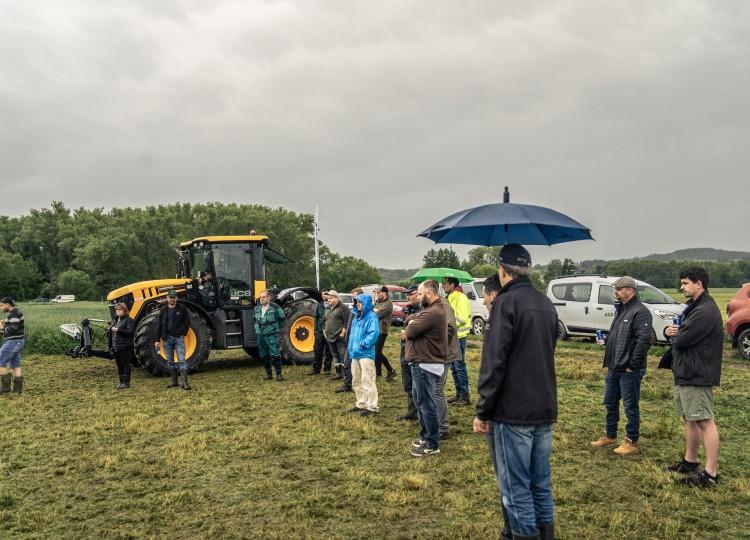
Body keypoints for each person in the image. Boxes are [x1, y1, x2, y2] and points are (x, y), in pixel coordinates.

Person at [473, 244, 557, 539]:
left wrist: (483, 409)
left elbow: (494, 361)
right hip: (544, 405)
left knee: (516, 487)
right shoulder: (546, 303)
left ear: (503, 270)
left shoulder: (504, 304)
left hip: (513, 411)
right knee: (540, 483)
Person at [664, 267, 724, 487]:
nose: (682, 287)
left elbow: (681, 339)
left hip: (697, 373)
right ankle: (690, 461)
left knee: (705, 421)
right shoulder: (693, 307)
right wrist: (670, 332)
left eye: (686, 283)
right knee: (689, 418)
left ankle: (710, 474)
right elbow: (675, 332)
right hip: (685, 371)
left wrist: (675, 335)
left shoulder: (704, 311)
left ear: (699, 284)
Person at [590, 276, 652, 456]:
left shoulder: (640, 311)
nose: (615, 292)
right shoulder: (621, 310)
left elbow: (644, 340)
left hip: (628, 370)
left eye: (619, 289)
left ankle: (631, 441)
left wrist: (632, 365)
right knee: (609, 402)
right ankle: (610, 435)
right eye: (615, 289)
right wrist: (607, 340)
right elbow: (620, 335)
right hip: (614, 367)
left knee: (630, 406)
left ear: (630, 291)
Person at [479, 273, 512, 540]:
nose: (483, 300)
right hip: (541, 407)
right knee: (534, 481)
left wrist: (483, 411)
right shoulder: (540, 307)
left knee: (507, 475)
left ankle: (510, 530)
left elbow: (493, 368)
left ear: (493, 294)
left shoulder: (498, 319)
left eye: (484, 294)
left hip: (506, 409)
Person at [403, 279, 448, 457]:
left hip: (425, 363)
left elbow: (412, 331)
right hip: (422, 361)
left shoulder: (434, 311)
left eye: (420, 294)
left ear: (429, 294)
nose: (418, 297)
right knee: (420, 399)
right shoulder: (431, 310)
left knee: (427, 403)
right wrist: (411, 321)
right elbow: (411, 322)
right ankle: (426, 435)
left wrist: (410, 326)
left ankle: (432, 443)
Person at [346, 293, 381, 416]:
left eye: (359, 302)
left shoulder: (371, 317)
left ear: (365, 303)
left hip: (365, 353)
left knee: (367, 380)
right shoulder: (356, 317)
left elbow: (374, 333)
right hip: (355, 353)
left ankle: (372, 406)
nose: (357, 304)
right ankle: (361, 403)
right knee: (356, 380)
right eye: (356, 302)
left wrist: (363, 344)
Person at [155, 290, 193, 390]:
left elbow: (187, 323)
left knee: (181, 360)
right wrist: (157, 339)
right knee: (170, 361)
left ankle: (185, 383)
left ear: (176, 298)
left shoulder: (182, 309)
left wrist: (182, 333)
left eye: (174, 297)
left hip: (178, 338)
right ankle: (174, 382)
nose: (172, 299)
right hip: (166, 338)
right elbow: (159, 325)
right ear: (167, 298)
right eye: (170, 297)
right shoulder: (163, 310)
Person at [444, 277, 472, 406]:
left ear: (452, 284)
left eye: (445, 283)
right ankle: (458, 394)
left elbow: (461, 318)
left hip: (459, 337)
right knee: (454, 368)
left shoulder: (461, 298)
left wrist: (447, 325)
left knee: (460, 367)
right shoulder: (449, 298)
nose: (443, 286)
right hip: (452, 337)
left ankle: (465, 396)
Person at [397, 285, 420, 421]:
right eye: (407, 294)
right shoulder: (410, 309)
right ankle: (411, 412)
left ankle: (420, 414)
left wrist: (409, 334)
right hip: (406, 348)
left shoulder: (424, 310)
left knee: (417, 384)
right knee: (408, 382)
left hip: (416, 351)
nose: (408, 297)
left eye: (411, 294)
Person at [254, 290, 287, 381]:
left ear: (268, 297)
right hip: (261, 336)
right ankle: (269, 374)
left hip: (271, 335)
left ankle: (279, 374)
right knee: (264, 356)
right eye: (261, 297)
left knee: (275, 355)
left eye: (264, 297)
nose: (262, 299)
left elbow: (282, 320)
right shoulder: (256, 309)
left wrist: (274, 329)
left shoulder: (275, 308)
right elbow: (255, 320)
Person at [0, 297, 25, 394]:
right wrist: (2, 331)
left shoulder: (14, 314)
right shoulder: (16, 313)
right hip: (17, 341)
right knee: (15, 365)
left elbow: (14, 328)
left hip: (13, 342)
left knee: (0, 362)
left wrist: (3, 327)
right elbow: (12, 330)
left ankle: (5, 388)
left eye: (2, 305)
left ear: (7, 304)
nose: (1, 308)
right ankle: (17, 389)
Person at [325, 290, 350, 384]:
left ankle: (345, 374)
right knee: (334, 354)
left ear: (336, 297)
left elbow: (347, 321)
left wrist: (343, 333)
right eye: (328, 298)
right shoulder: (327, 308)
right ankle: (338, 372)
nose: (328, 300)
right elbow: (324, 320)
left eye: (330, 298)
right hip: (329, 336)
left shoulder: (343, 308)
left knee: (343, 354)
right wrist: (324, 330)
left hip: (339, 336)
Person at [109, 302, 136, 390]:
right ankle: (121, 382)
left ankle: (126, 383)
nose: (118, 312)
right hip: (116, 346)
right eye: (117, 310)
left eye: (120, 310)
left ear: (124, 310)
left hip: (125, 346)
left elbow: (130, 332)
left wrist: (118, 330)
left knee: (125, 364)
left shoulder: (129, 320)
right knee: (119, 365)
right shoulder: (115, 320)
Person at [373, 286, 397, 381]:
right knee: (376, 353)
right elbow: (374, 310)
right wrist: (375, 310)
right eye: (377, 293)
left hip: (382, 330)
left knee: (377, 352)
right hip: (375, 329)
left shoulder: (388, 304)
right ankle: (379, 374)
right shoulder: (378, 302)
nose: (378, 294)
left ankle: (389, 370)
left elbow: (376, 315)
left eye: (379, 292)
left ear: (384, 293)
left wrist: (375, 310)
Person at [309, 289, 333, 375]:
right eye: (322, 294)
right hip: (319, 331)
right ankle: (316, 369)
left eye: (325, 294)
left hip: (329, 331)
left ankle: (327, 369)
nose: (323, 295)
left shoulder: (332, 305)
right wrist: (315, 329)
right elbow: (316, 317)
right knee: (318, 350)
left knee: (329, 351)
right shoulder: (319, 305)